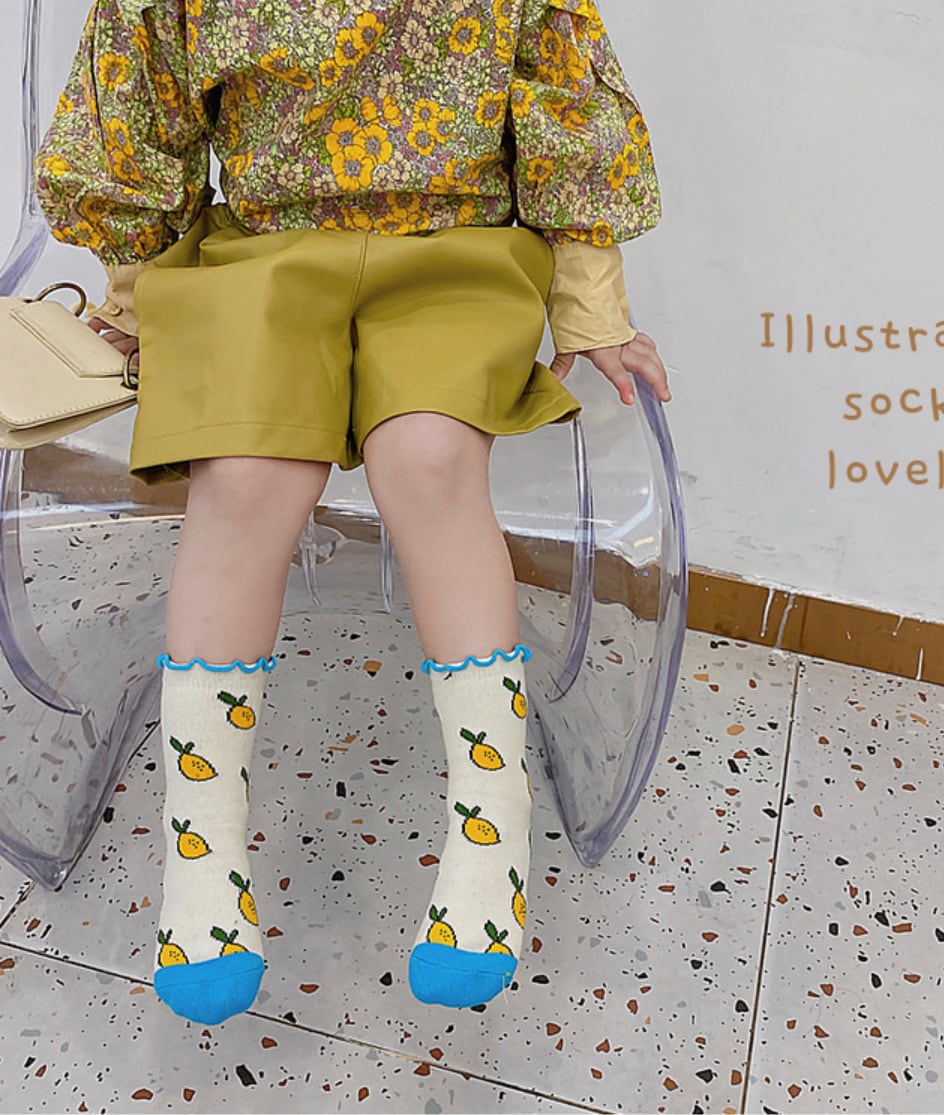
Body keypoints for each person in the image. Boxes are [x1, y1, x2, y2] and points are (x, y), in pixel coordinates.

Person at [34, 0, 670, 1027]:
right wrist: (134, 292)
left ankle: (489, 821)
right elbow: (138, 97)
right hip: (261, 253)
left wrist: (591, 307)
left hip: (461, 250)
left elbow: (561, 86)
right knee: (244, 480)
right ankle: (201, 842)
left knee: (430, 463)